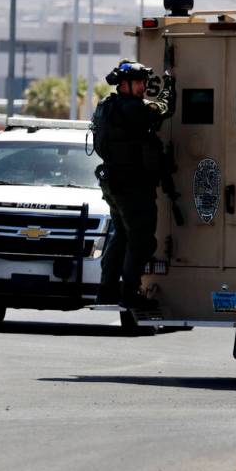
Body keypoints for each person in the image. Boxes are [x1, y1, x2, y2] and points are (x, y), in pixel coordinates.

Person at [92, 59, 175, 309]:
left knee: (121, 237)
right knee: (141, 240)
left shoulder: (108, 106)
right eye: (138, 83)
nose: (142, 87)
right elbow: (164, 108)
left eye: (143, 82)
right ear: (124, 85)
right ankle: (129, 293)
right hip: (131, 185)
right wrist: (170, 84)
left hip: (114, 183)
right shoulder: (133, 109)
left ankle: (106, 290)